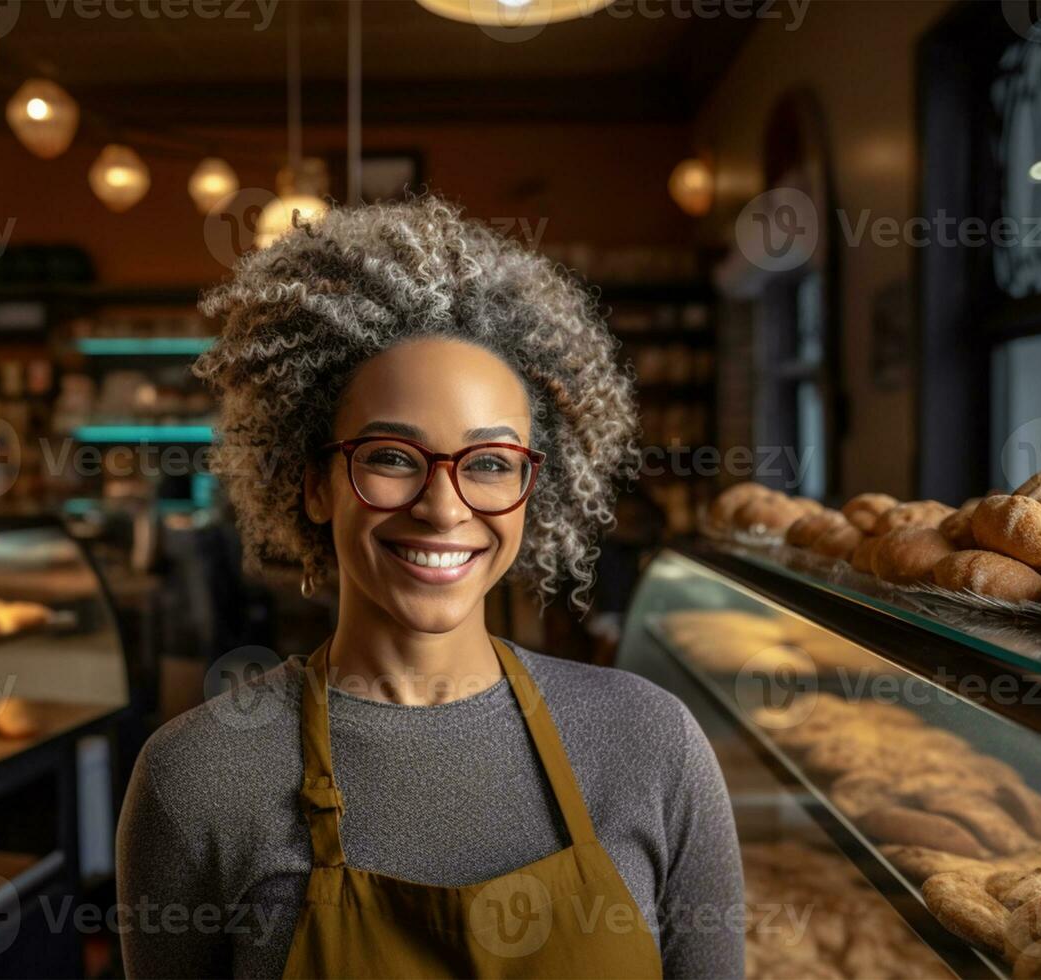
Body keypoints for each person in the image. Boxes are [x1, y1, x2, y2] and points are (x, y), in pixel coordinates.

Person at [116, 197, 744, 978]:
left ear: (530, 491)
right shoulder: (196, 778)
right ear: (315, 483)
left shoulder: (653, 746)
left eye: (487, 464)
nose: (444, 507)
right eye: (390, 456)